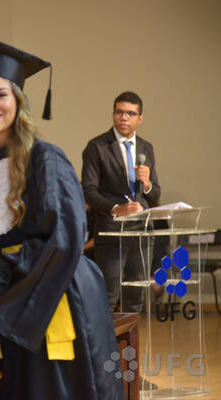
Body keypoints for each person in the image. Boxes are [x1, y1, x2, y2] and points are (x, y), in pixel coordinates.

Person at [0, 37, 123, 399]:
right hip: (22, 300)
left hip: (58, 299)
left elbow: (64, 242)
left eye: (1, 94)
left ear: (18, 100)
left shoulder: (45, 159)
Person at [81, 91, 161, 312]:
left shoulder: (146, 148)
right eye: (119, 112)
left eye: (130, 113)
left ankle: (131, 337)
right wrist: (117, 209)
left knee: (136, 298)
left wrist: (147, 184)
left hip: (142, 232)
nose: (124, 117)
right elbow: (88, 191)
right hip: (111, 232)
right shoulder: (97, 147)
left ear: (140, 118)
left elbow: (155, 195)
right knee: (108, 296)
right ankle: (106, 337)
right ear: (113, 114)